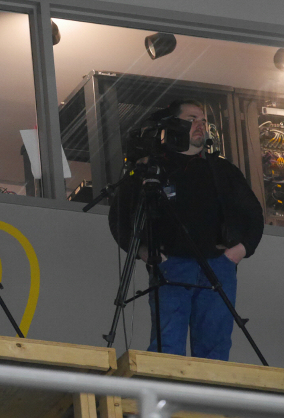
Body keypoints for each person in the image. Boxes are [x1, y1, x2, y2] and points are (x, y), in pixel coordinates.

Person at [109, 100, 263, 360]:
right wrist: (145, 252)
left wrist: (239, 252)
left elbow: (254, 215)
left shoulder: (222, 170)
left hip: (218, 264)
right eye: (192, 119)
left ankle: (206, 391)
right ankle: (164, 389)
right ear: (173, 124)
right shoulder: (151, 169)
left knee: (215, 347)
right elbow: (120, 218)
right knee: (167, 346)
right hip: (170, 264)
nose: (200, 125)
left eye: (203, 121)